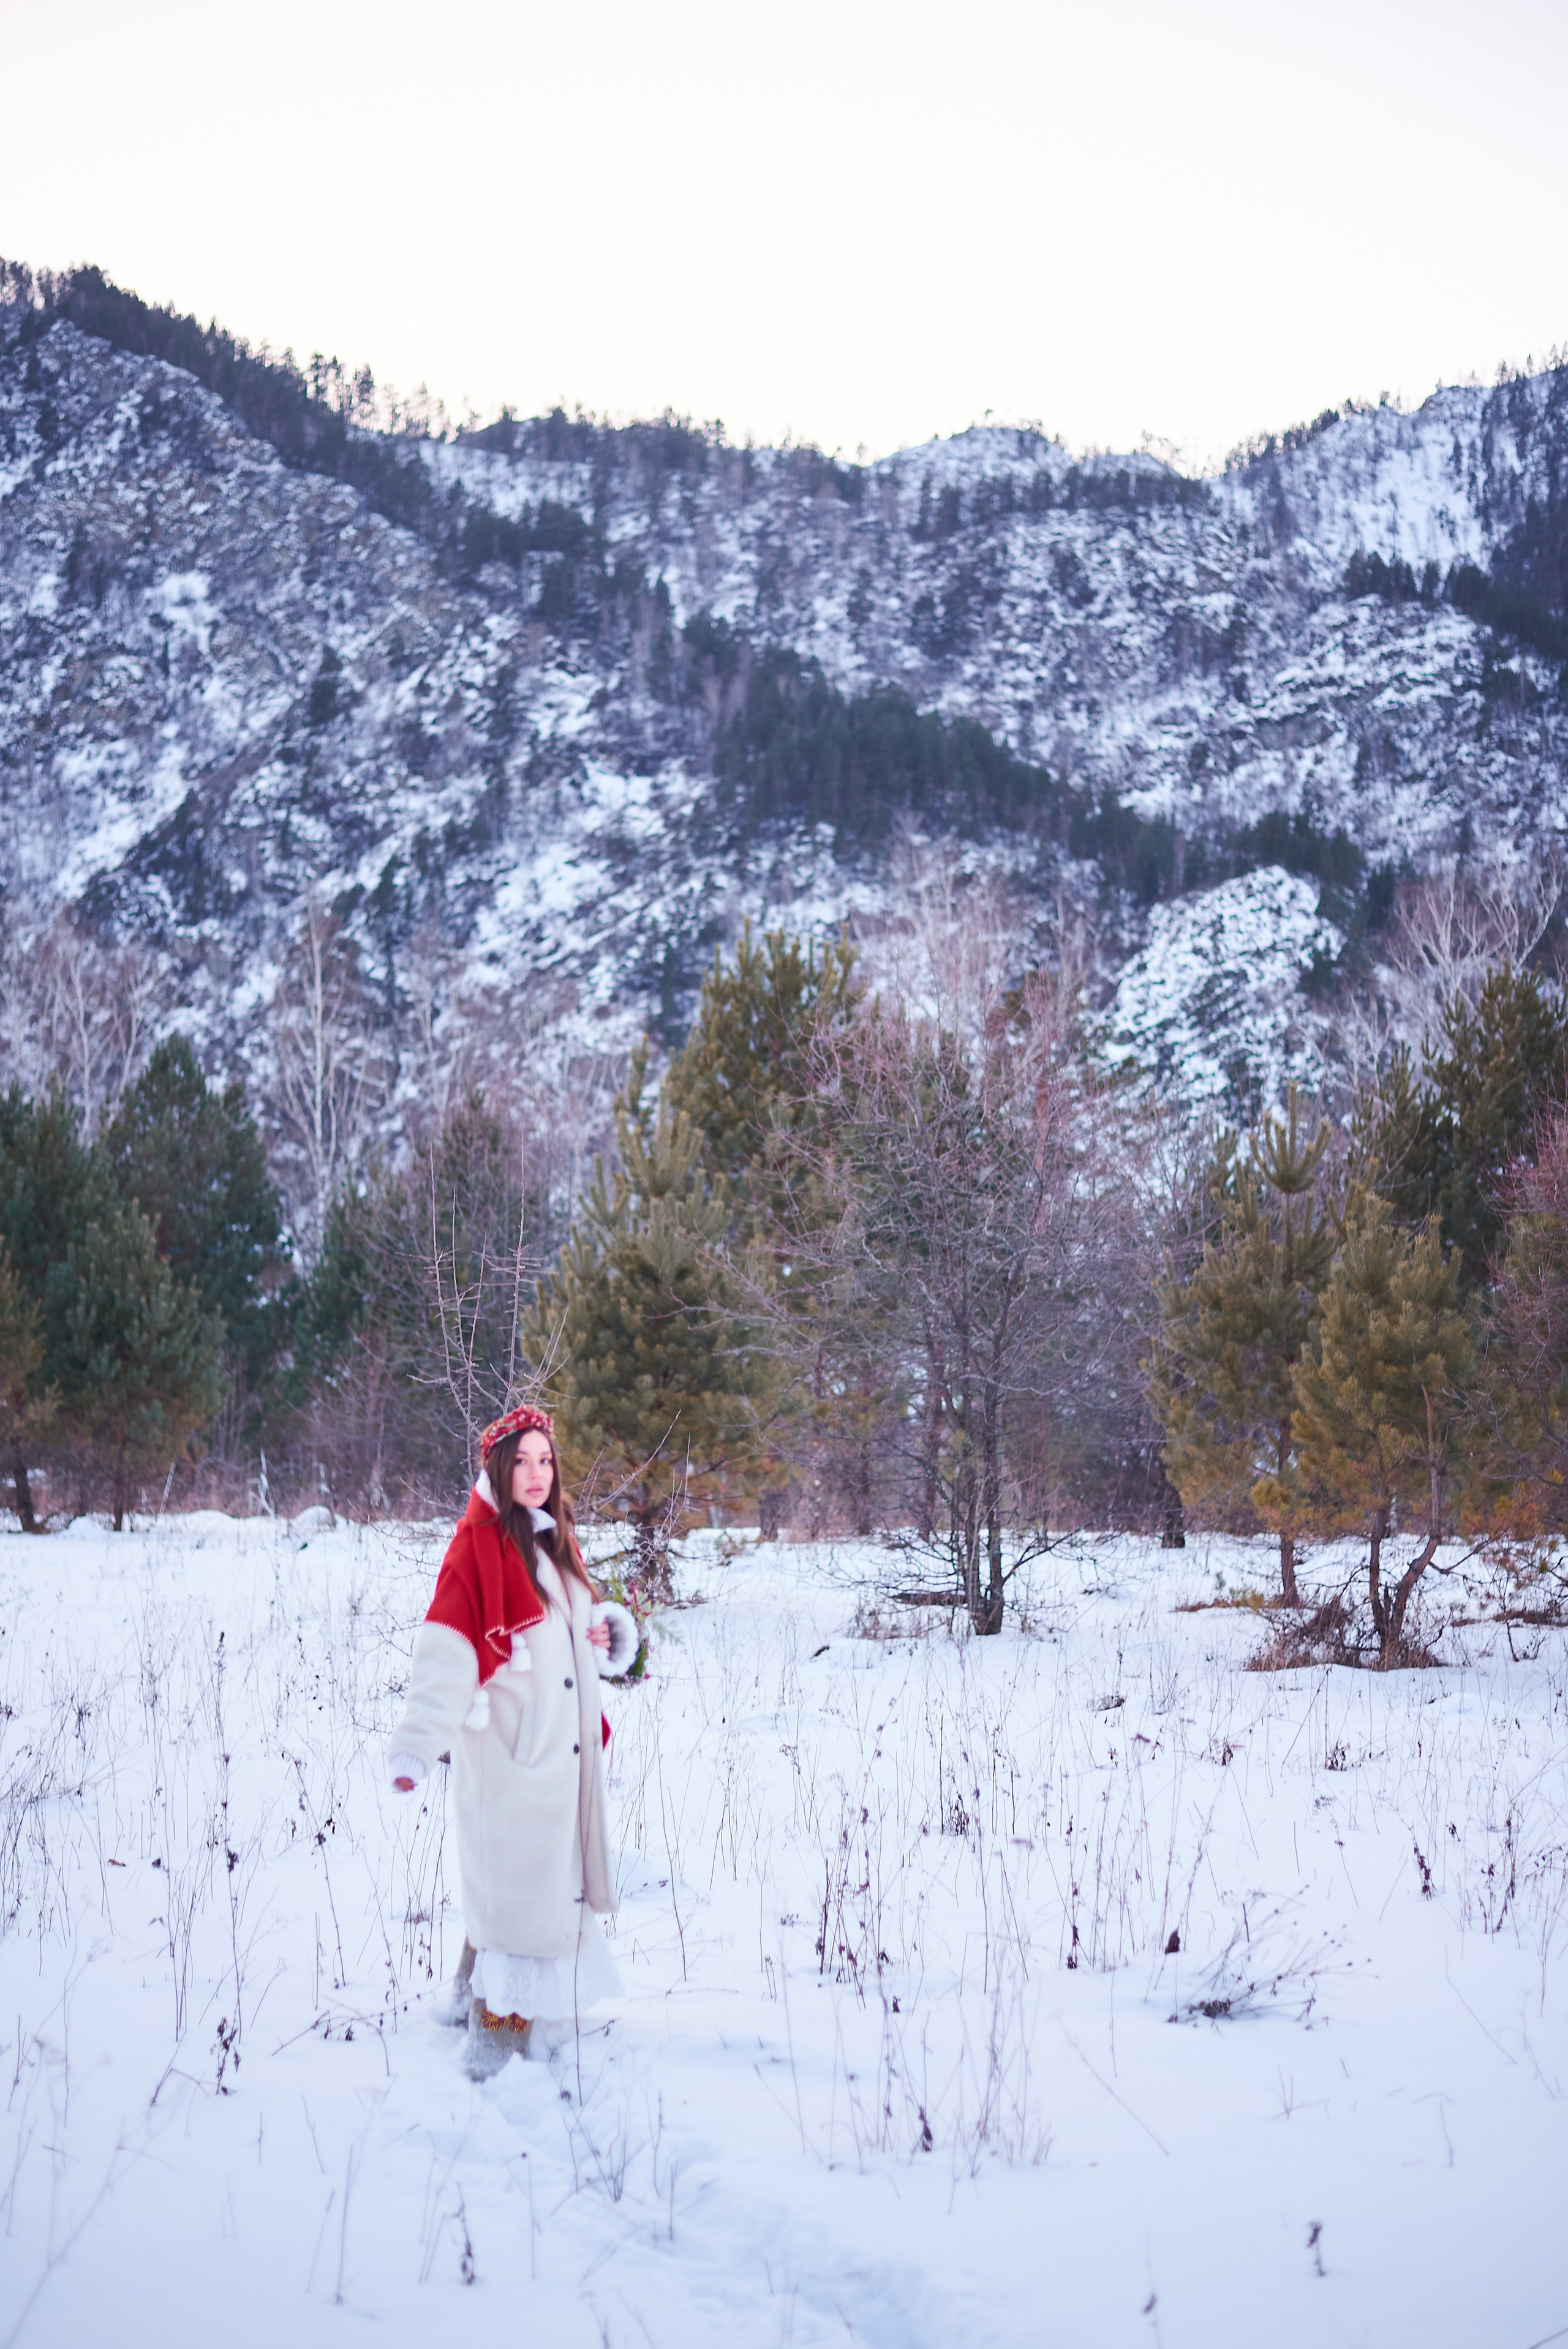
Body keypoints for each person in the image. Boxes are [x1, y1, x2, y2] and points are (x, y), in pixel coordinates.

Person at [388, 1403, 638, 2076]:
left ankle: (472, 1991)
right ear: (499, 1468)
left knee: (536, 1890)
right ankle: (496, 2035)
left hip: (561, 1753)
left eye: (545, 1460)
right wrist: (416, 1741)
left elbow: (574, 1631)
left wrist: (608, 1637)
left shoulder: (551, 1541)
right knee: (516, 1889)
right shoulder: (477, 1547)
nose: (536, 1472)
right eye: (522, 1461)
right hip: (511, 1757)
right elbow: (448, 1652)